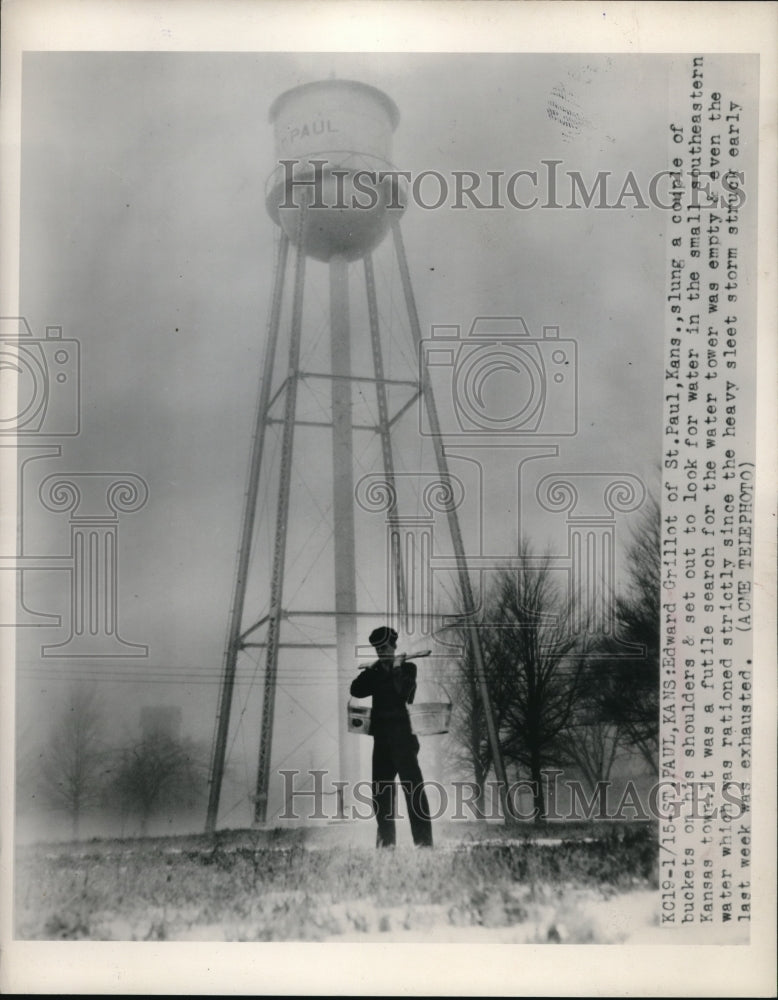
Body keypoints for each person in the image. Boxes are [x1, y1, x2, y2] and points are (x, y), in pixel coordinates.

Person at [350, 625, 433, 848]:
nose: (381, 652)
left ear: (393, 646)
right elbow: (355, 690)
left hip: (404, 740)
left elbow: (404, 692)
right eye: (377, 649)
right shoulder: (375, 673)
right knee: (381, 795)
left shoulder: (408, 669)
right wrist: (373, 670)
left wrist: (395, 669)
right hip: (382, 742)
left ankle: (424, 843)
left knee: (414, 791)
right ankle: (386, 844)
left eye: (384, 647)